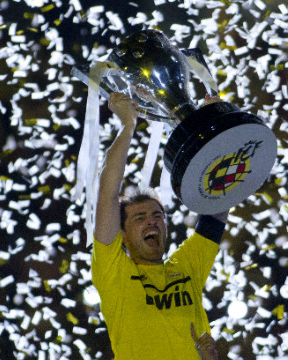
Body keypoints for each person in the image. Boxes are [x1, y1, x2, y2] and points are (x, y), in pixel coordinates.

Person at [91, 92, 227, 359]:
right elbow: (107, 193)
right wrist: (128, 126)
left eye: (157, 215)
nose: (151, 221)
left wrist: (213, 128)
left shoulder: (186, 267)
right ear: (122, 235)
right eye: (139, 218)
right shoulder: (114, 273)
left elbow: (222, 196)